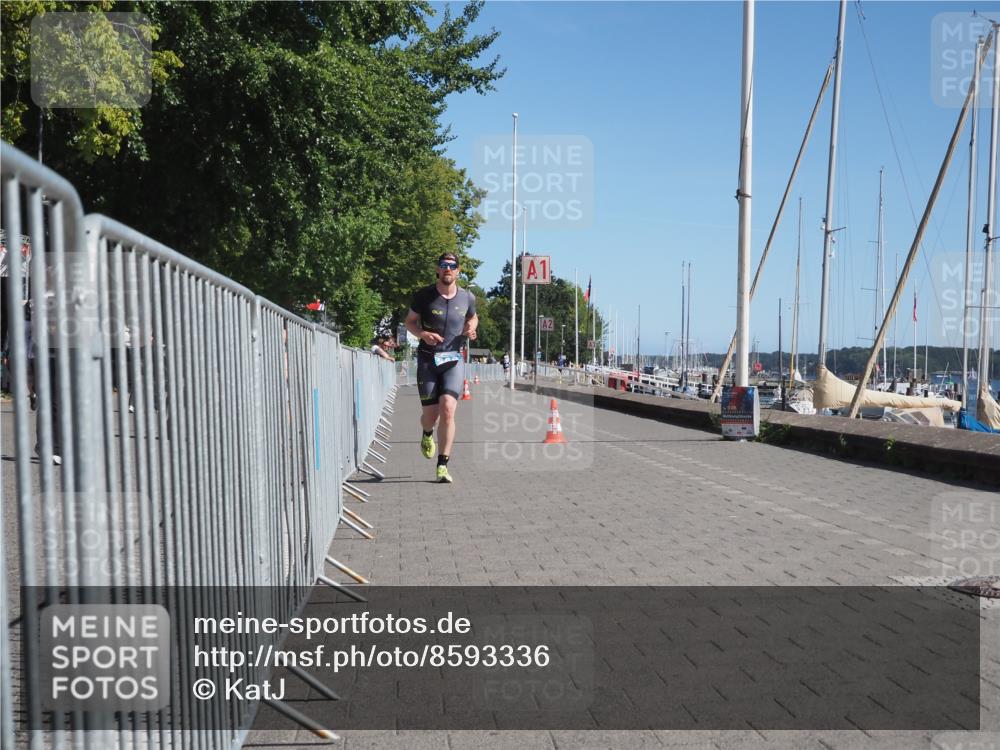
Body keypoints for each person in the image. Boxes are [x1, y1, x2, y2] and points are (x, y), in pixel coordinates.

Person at [405, 253, 478, 483]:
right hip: (428, 360)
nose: (448, 269)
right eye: (444, 265)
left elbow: (473, 318)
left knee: (448, 408)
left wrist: (471, 328)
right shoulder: (424, 296)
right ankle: (427, 433)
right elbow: (409, 322)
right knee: (430, 416)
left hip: (453, 361)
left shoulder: (467, 297)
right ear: (438, 270)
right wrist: (422, 334)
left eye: (452, 266)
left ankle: (443, 465)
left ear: (458, 271)